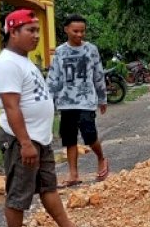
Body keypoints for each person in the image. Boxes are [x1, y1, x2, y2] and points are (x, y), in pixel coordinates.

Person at [0, 9, 97, 227]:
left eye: (37, 30)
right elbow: (11, 106)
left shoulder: (24, 61)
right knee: (19, 192)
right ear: (13, 32)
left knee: (48, 186)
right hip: (22, 141)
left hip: (39, 139)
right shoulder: (7, 64)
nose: (36, 36)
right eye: (30, 30)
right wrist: (26, 143)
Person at [46, 14, 108, 186]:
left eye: (82, 31)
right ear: (66, 30)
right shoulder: (60, 52)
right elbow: (53, 78)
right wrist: (48, 101)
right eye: (75, 31)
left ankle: (101, 158)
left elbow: (98, 75)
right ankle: (73, 174)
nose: (79, 35)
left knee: (89, 135)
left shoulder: (91, 50)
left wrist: (102, 98)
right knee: (69, 138)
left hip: (86, 100)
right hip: (66, 101)